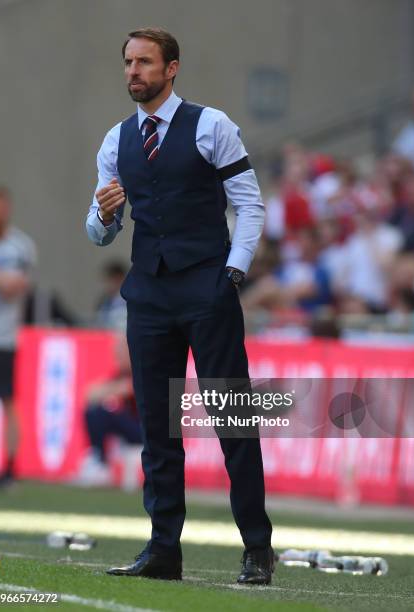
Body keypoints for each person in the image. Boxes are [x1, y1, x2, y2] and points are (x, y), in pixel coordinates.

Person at [86, 28, 273, 584]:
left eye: (144, 62)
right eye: (127, 62)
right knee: (157, 430)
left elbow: (249, 205)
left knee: (231, 419)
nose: (132, 71)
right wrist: (104, 214)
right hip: (148, 296)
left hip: (208, 289)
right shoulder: (115, 141)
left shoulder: (212, 125)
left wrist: (232, 273)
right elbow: (98, 234)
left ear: (171, 69)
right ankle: (163, 549)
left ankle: (257, 548)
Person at [0, 186, 37, 486]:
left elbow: (13, 288)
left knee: (8, 400)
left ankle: (9, 468)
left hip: (2, 337)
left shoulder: (20, 247)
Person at [75, 334, 142, 488]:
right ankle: (98, 459)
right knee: (94, 411)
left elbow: (126, 389)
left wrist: (111, 390)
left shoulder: (140, 371)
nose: (116, 354)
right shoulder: (120, 374)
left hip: (146, 433)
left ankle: (100, 463)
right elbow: (90, 394)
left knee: (104, 412)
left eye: (120, 350)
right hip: (129, 431)